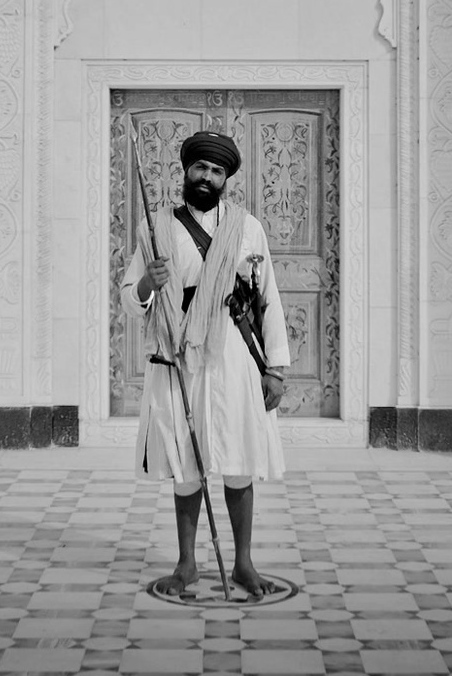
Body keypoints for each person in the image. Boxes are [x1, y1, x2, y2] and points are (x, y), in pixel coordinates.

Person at [122, 130, 291, 598]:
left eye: (216, 171)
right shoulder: (157, 227)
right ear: (186, 169)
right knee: (185, 461)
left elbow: (267, 298)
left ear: (226, 179)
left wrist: (274, 368)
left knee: (238, 460)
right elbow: (129, 296)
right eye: (200, 167)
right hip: (176, 356)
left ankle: (243, 563)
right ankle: (186, 565)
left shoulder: (247, 227)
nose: (207, 176)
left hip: (234, 357)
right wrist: (147, 285)